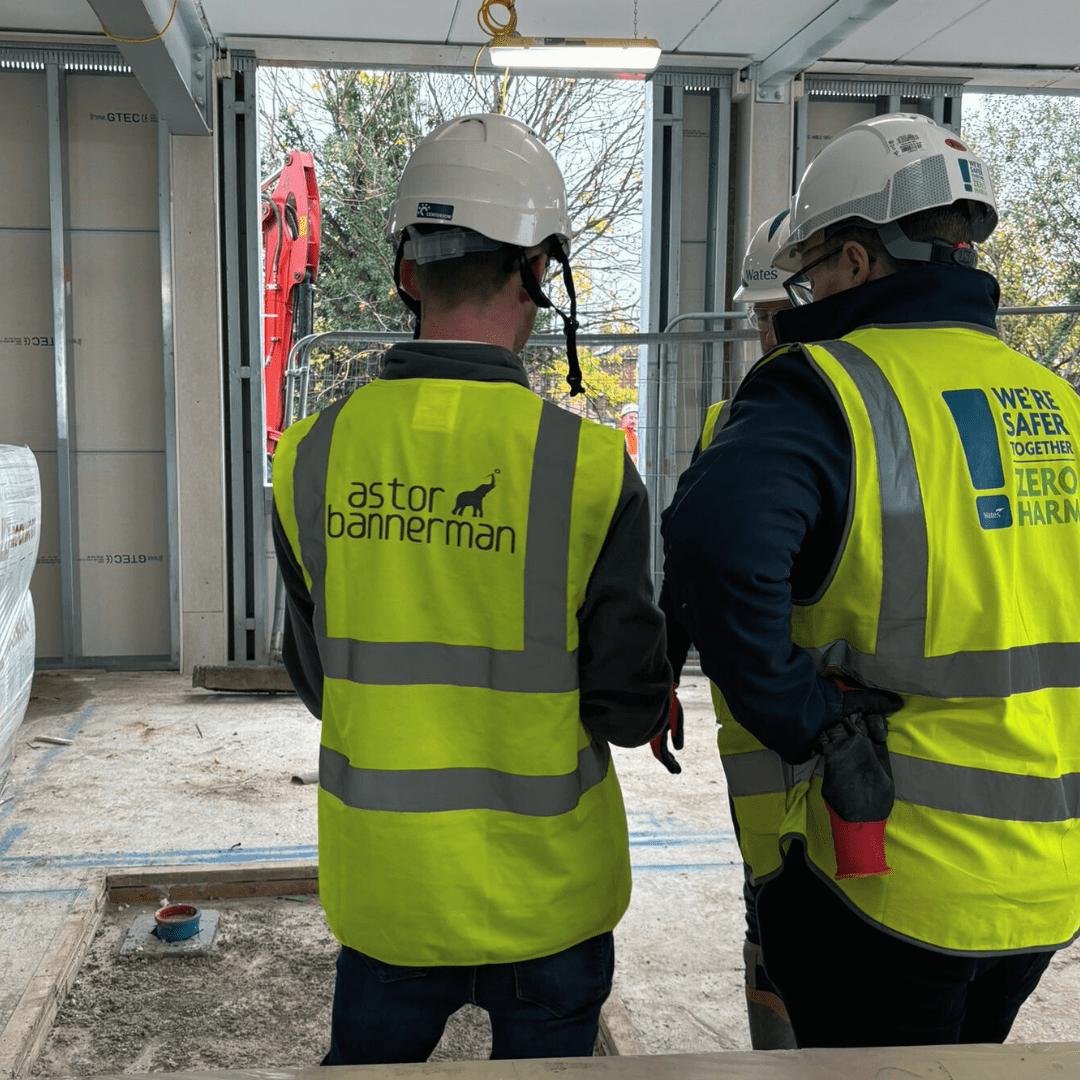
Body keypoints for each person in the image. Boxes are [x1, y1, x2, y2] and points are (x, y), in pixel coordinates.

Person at [661, 112, 1080, 1048]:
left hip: (893, 873)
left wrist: (802, 713)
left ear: (856, 263)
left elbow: (710, 548)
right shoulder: (1055, 402)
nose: (798, 299)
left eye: (809, 274)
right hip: (1049, 877)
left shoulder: (827, 390)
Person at [271, 112, 672, 1066]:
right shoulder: (585, 468)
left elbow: (316, 677)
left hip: (387, 893)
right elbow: (622, 709)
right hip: (549, 897)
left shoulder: (314, 454)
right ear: (539, 270)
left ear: (409, 271)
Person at [657, 209, 797, 1051]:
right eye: (757, 320)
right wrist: (664, 670)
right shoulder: (731, 425)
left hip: (847, 751)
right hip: (773, 771)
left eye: (768, 317)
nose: (761, 335)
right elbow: (686, 565)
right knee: (769, 920)